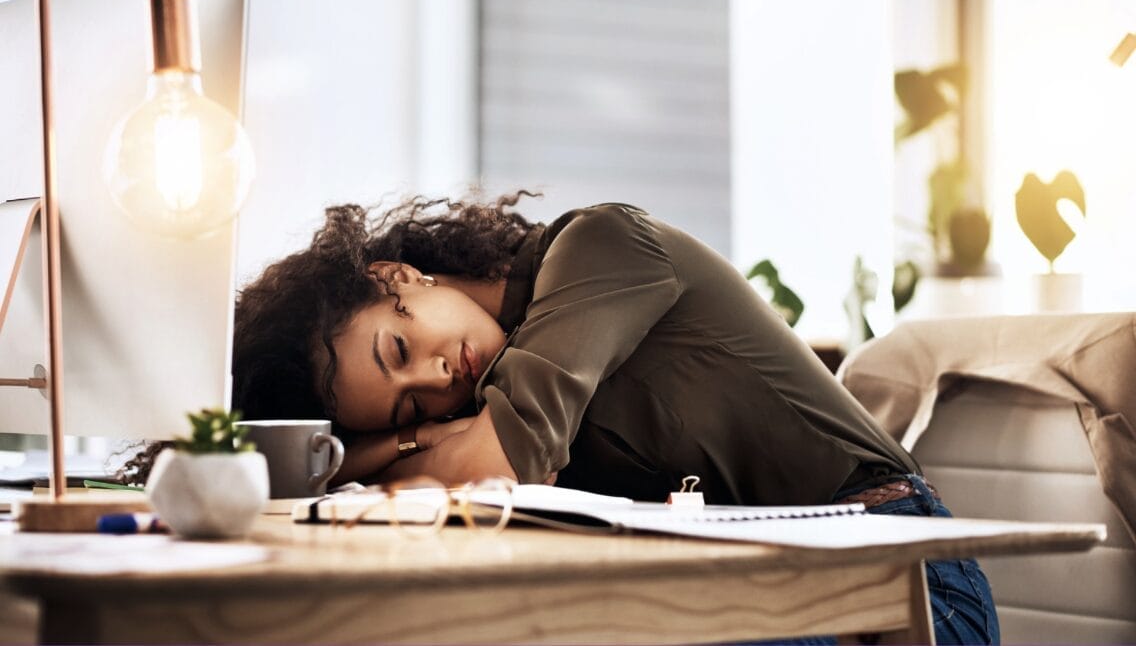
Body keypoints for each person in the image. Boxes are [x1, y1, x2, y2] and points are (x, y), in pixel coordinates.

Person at [232, 194, 999, 645]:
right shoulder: (494, 390)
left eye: (399, 347)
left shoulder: (600, 248)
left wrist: (403, 450)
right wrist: (408, 447)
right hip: (759, 592)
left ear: (394, 276)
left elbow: (497, 468)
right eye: (408, 408)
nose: (434, 379)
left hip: (906, 589)